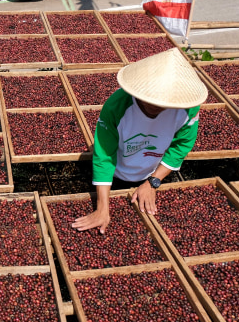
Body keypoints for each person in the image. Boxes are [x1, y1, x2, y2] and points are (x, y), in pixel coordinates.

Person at [72, 48, 208, 234]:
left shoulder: (188, 110)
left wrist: (153, 182)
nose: (155, 105)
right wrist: (102, 208)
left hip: (153, 173)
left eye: (163, 102)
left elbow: (180, 146)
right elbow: (104, 155)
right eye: (149, 98)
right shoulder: (116, 107)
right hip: (114, 175)